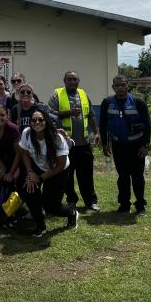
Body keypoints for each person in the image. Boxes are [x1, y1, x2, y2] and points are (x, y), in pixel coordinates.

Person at [19, 108, 79, 237]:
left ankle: (72, 212)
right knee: (29, 191)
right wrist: (30, 173)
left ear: (46, 121)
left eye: (40, 119)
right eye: (34, 120)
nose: (37, 122)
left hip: (59, 170)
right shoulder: (27, 133)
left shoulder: (56, 138)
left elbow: (60, 165)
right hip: (38, 167)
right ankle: (40, 226)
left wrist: (39, 178)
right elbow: (24, 153)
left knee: (51, 206)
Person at [48, 71, 101, 211]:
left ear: (79, 81)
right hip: (66, 145)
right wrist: (68, 113)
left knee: (86, 175)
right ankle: (72, 200)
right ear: (64, 81)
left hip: (84, 143)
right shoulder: (57, 94)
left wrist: (96, 132)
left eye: (75, 79)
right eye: (69, 79)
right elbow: (49, 114)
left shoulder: (83, 94)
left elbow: (91, 115)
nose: (72, 82)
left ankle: (90, 201)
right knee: (68, 175)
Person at [100, 75, 151, 215]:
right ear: (113, 87)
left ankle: (140, 205)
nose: (120, 88)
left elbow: (147, 124)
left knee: (138, 177)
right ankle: (124, 205)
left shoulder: (138, 102)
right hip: (118, 146)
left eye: (123, 85)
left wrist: (145, 145)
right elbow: (103, 124)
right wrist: (105, 144)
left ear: (127, 85)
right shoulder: (107, 102)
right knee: (122, 177)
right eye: (117, 85)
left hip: (136, 146)